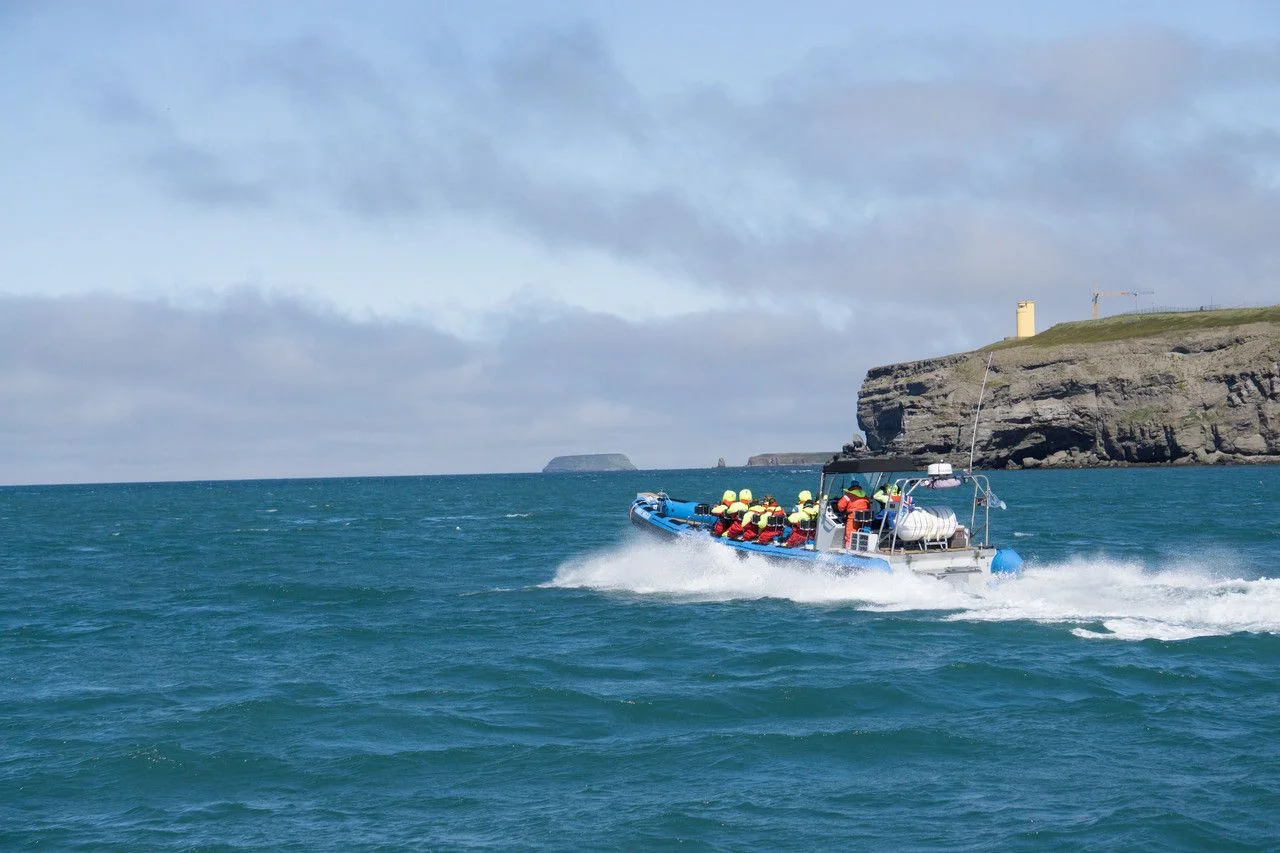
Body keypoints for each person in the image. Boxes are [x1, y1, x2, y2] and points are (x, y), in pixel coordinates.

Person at [836, 482, 872, 549]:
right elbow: (868, 505)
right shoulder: (865, 495)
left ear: (851, 488)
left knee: (850, 532)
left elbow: (841, 506)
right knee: (864, 531)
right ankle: (864, 546)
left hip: (853, 516)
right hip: (865, 515)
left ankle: (849, 547)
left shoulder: (847, 496)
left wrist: (842, 511)